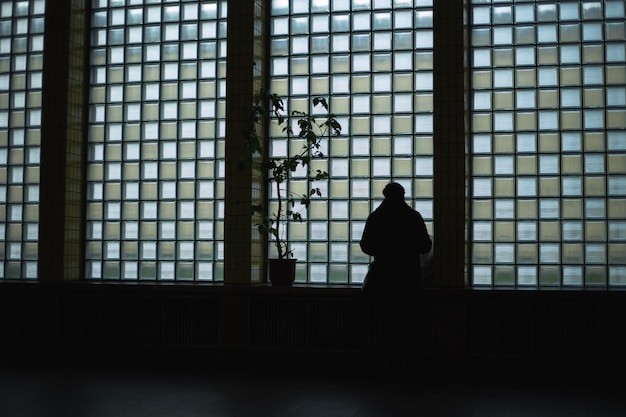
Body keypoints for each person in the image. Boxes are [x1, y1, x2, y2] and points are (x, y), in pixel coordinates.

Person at [359, 181, 432, 371]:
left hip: (383, 277)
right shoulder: (413, 217)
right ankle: (406, 363)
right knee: (407, 323)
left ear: (385, 195)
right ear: (402, 195)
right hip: (408, 277)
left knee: (384, 323)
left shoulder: (376, 217)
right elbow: (426, 246)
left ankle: (385, 363)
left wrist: (383, 251)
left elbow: (366, 245)